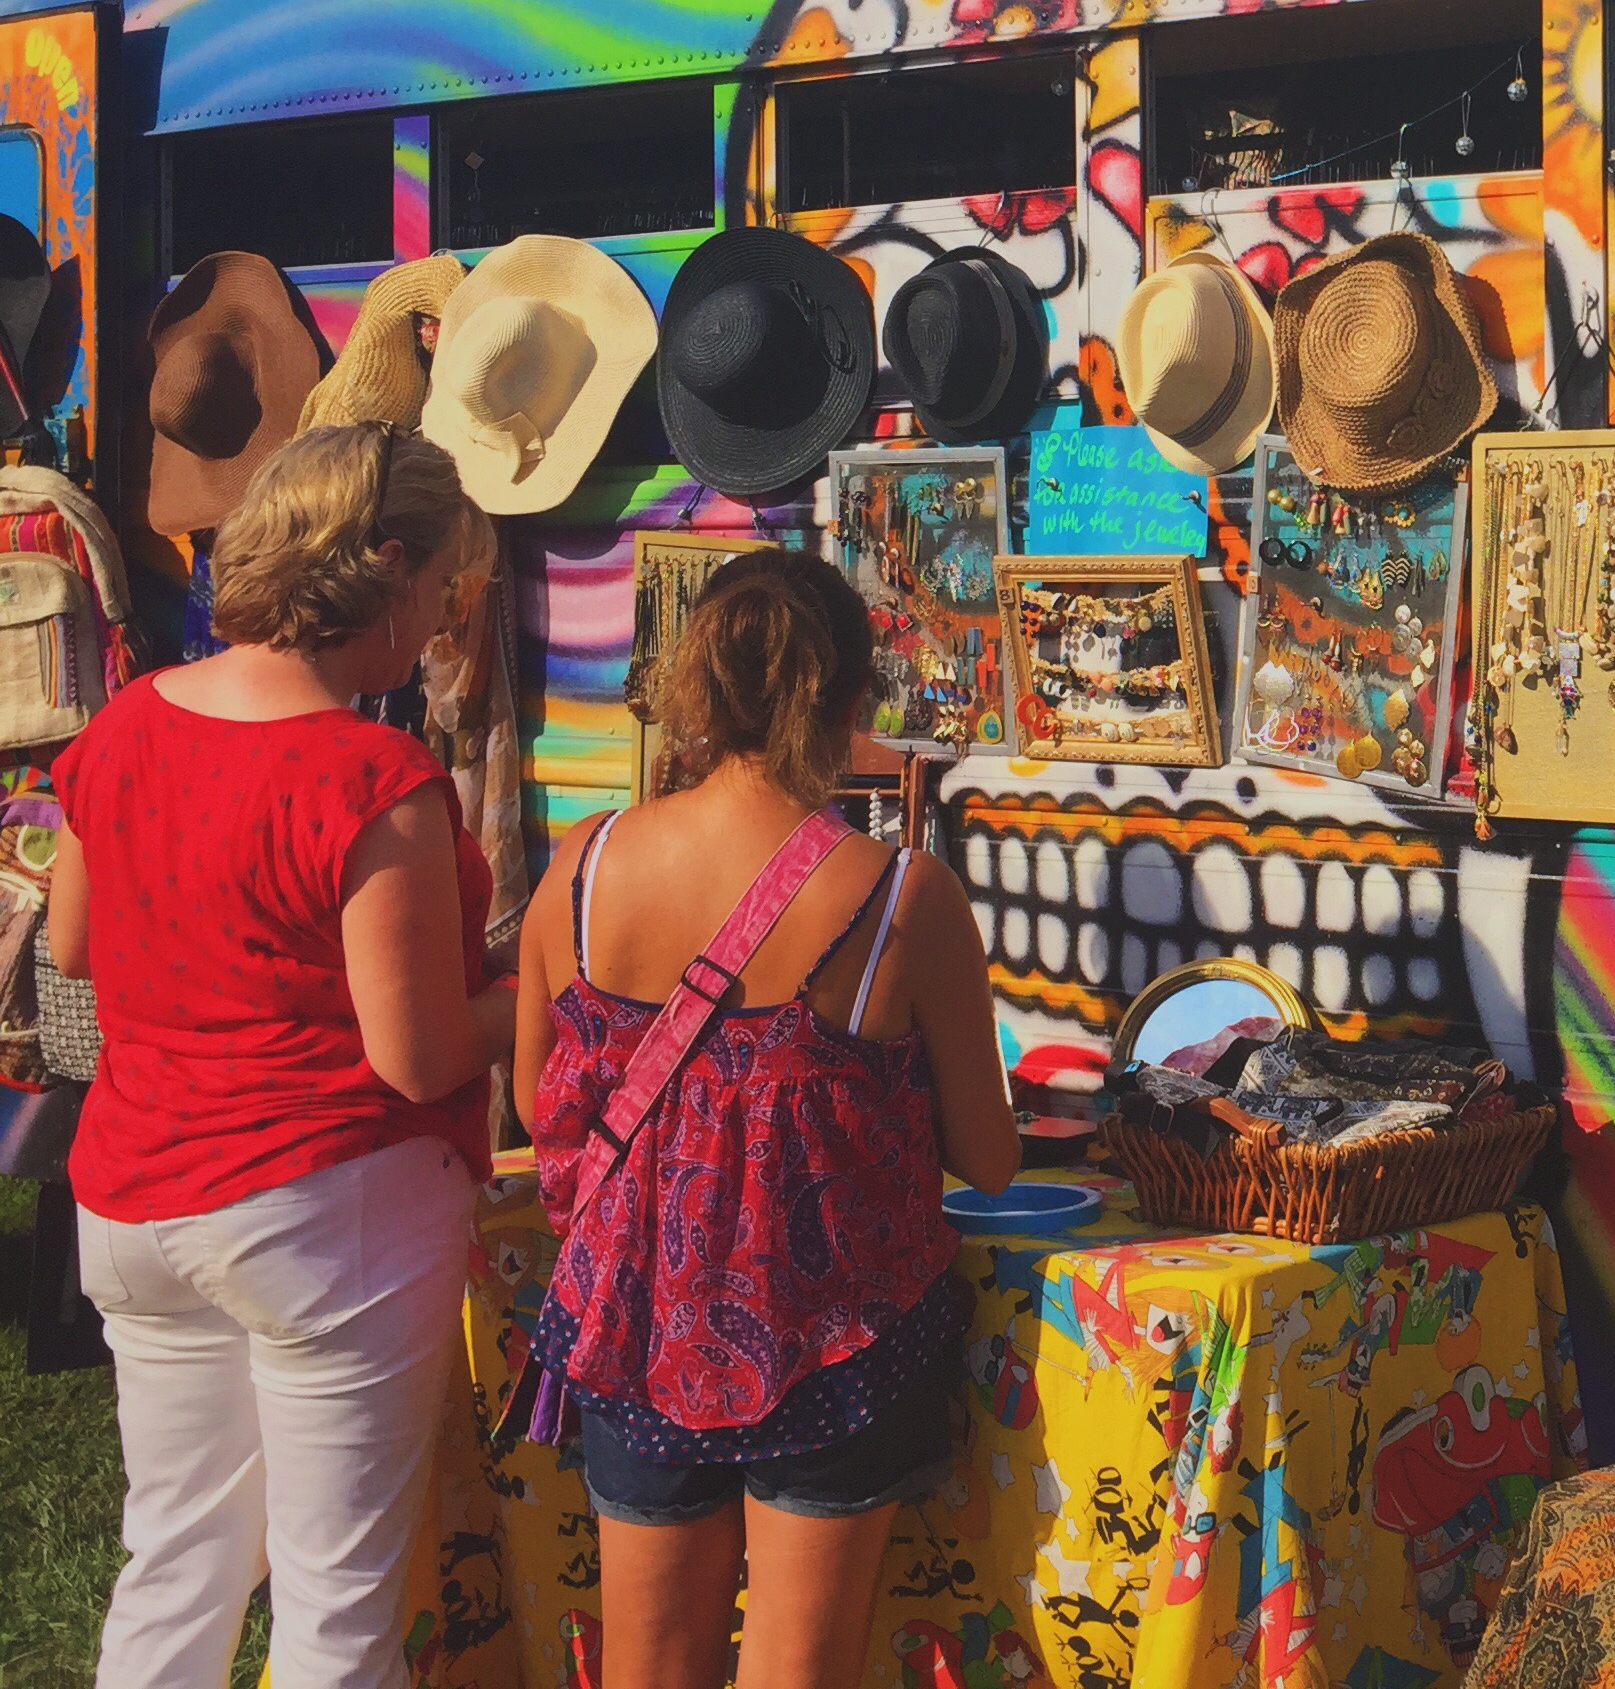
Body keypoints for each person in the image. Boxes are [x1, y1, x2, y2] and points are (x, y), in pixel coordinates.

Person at [45, 422, 510, 1689]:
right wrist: (536, 998)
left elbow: (75, 944)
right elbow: (417, 1054)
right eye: (444, 588)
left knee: (175, 1563)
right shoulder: (371, 775)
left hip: (136, 1195)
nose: (439, 621)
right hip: (320, 1203)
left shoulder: (128, 723)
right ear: (394, 568)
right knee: (335, 1610)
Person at [515, 550, 1016, 1689]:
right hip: (835, 1336)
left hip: (637, 1322)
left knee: (648, 1669)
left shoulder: (586, 867)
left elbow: (537, 1097)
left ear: (695, 686)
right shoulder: (900, 896)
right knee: (802, 1668)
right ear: (853, 699)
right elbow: (988, 1159)